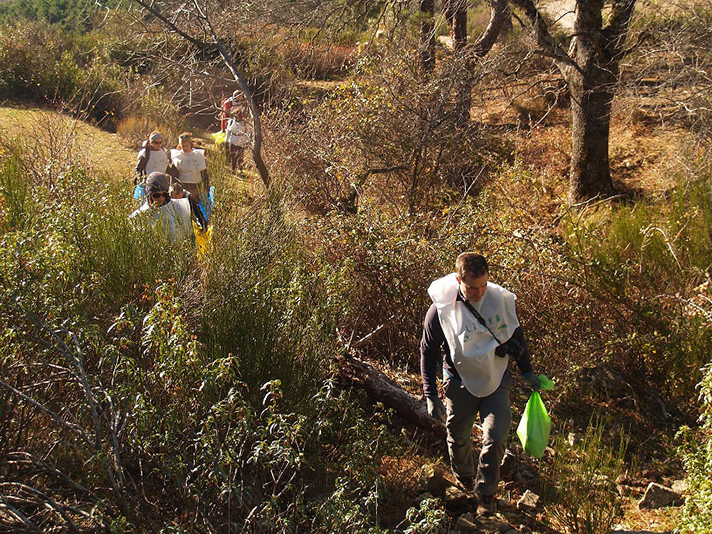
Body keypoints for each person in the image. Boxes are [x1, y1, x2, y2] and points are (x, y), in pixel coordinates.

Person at [420, 252, 541, 517]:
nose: (479, 293)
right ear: (458, 279)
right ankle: (464, 479)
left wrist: (528, 372)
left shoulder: (500, 301)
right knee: (459, 435)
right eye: (472, 288)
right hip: (459, 382)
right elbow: (428, 352)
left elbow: (517, 337)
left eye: (484, 287)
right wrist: (431, 395)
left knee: (496, 436)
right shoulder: (441, 310)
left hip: (496, 378)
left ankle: (485, 493)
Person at [130, 172, 206, 241]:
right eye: (156, 195)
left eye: (164, 194)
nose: (161, 198)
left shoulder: (179, 206)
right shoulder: (141, 215)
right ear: (149, 195)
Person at [171, 132, 209, 205]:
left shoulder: (198, 155)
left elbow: (204, 173)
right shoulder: (177, 156)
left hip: (195, 186)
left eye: (186, 146)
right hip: (182, 186)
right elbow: (173, 174)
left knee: (195, 205)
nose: (184, 148)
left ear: (191, 144)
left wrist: (206, 188)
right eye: (183, 146)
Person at [225, 107, 251, 172]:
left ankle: (240, 167)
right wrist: (226, 141)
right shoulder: (231, 121)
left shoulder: (244, 123)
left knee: (240, 155)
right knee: (233, 155)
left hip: (241, 140)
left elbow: (247, 132)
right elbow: (228, 132)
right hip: (233, 139)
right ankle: (233, 168)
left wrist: (247, 141)